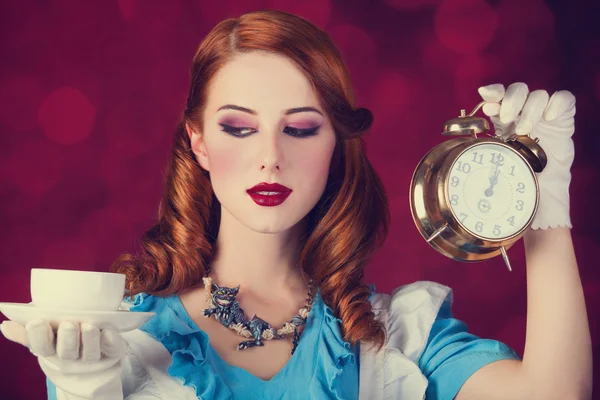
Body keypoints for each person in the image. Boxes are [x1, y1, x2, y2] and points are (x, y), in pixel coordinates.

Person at [0, 9, 592, 400]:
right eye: (238, 128)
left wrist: (545, 207)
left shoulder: (398, 339)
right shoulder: (110, 337)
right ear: (198, 142)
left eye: (302, 129)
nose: (270, 157)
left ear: (335, 146)